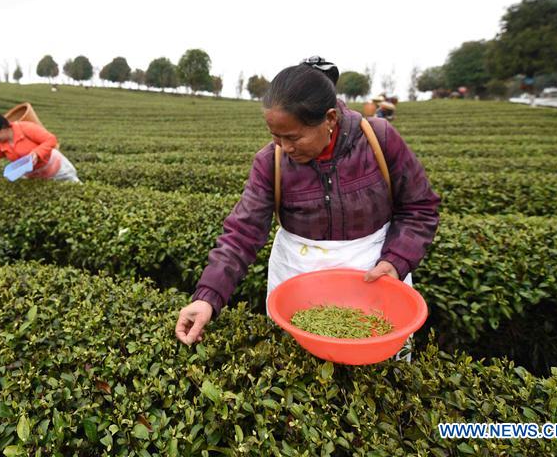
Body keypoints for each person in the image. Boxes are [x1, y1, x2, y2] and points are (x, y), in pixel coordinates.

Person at [175, 57, 439, 353]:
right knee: (297, 367)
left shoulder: (378, 139)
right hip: (297, 277)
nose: (285, 148)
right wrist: (207, 296)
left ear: (329, 119)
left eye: (294, 137)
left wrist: (396, 261)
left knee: (378, 367)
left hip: (373, 274)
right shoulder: (270, 162)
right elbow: (242, 232)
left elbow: (419, 207)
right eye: (276, 137)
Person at [0, 113, 79, 193]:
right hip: (34, 175)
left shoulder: (25, 128)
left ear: (4, 127)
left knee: (75, 189)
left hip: (55, 167)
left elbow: (51, 139)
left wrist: (36, 153)